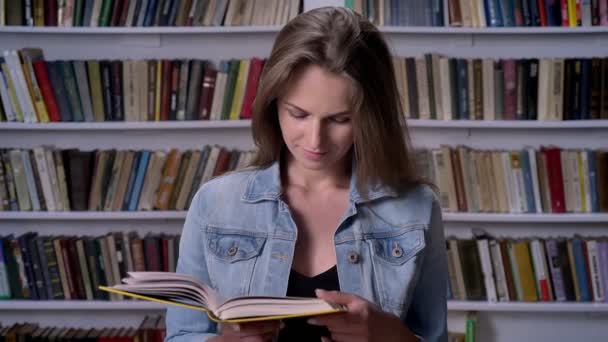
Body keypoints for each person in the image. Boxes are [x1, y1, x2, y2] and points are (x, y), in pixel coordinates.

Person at [165, 6, 447, 342]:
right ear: (273, 103)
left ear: (371, 118)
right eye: (298, 114)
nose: (315, 140)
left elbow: (433, 337)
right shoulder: (215, 203)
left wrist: (391, 335)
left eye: (340, 119)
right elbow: (181, 335)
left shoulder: (416, 208)